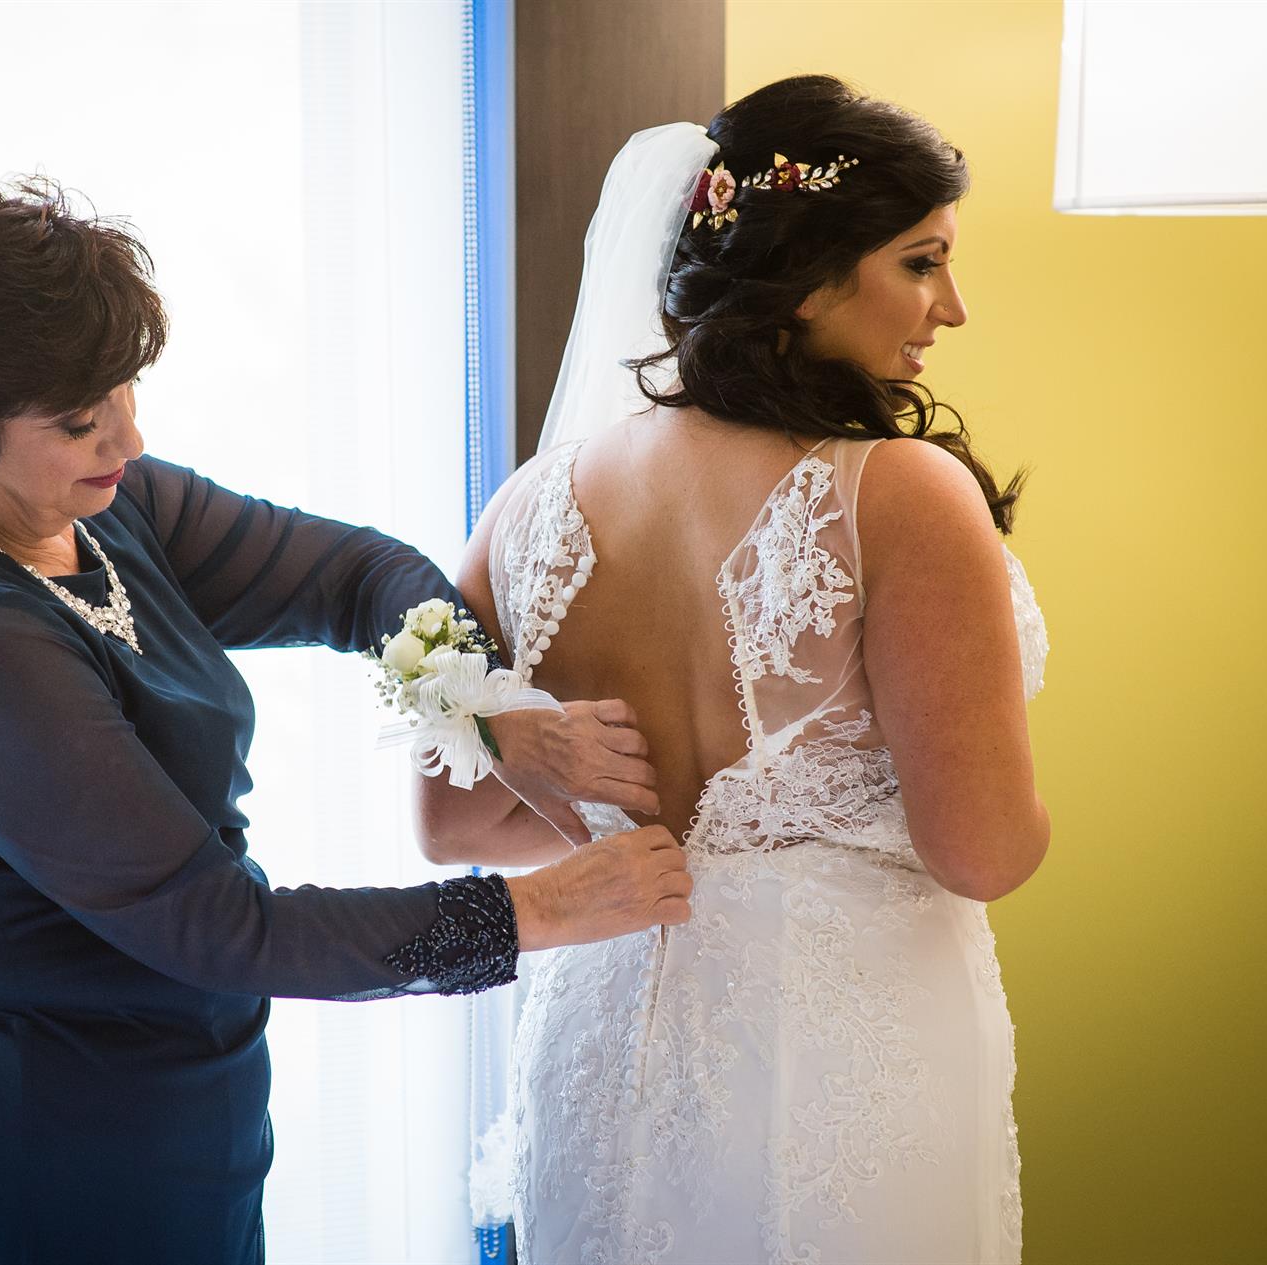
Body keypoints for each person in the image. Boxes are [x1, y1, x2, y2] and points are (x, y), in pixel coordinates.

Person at [0, 179, 693, 1264]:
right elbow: (225, 927)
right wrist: (537, 908)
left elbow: (357, 573)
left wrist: (479, 708)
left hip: (180, 1088)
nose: (128, 434)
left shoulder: (98, 501)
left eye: (124, 389)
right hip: (49, 1129)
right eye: (79, 419)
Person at [417, 75, 1051, 1263]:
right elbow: (983, 850)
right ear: (807, 274)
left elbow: (451, 822)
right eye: (920, 262)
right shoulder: (898, 493)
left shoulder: (530, 503)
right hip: (839, 1064)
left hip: (606, 1042)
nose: (950, 308)